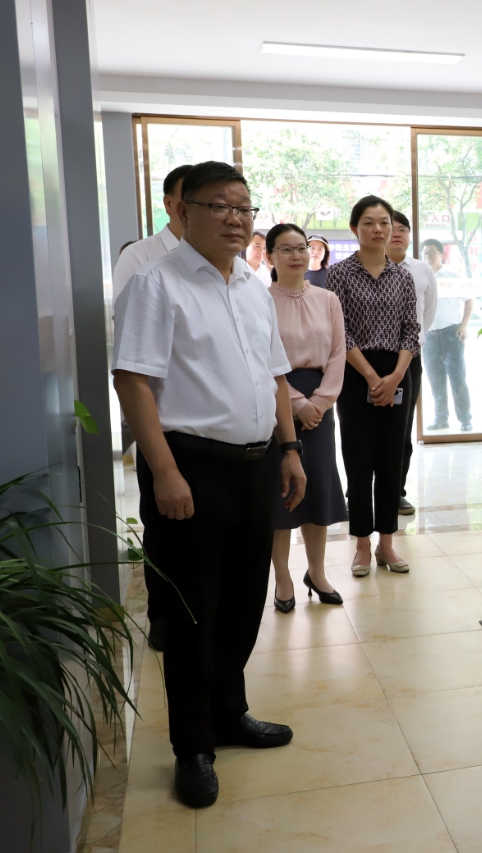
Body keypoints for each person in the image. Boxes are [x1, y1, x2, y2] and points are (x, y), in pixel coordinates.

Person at [112, 160, 306, 809]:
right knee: (193, 608)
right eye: (219, 205)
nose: (234, 218)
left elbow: (276, 375)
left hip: (256, 462)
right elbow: (132, 381)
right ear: (183, 211)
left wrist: (289, 449)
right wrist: (165, 469)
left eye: (244, 208)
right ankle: (192, 745)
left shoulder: (252, 286)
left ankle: (229, 713)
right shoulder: (156, 283)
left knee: (245, 598)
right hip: (191, 464)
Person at [111, 163, 193, 655]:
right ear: (171, 205)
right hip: (162, 419)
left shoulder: (227, 266)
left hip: (212, 425)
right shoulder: (140, 258)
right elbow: (131, 344)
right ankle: (163, 615)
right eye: (196, 200)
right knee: (163, 523)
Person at [326, 196, 420, 577]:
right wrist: (369, 376)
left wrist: (395, 376)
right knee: (359, 458)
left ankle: (387, 543)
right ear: (355, 228)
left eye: (384, 222)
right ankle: (362, 545)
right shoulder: (339, 274)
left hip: (398, 372)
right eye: (369, 222)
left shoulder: (403, 276)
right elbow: (341, 332)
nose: (378, 229)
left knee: (392, 459)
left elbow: (411, 330)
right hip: (355, 374)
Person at [267, 223, 348, 611]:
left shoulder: (328, 299)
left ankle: (317, 571)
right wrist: (297, 402)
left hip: (321, 404)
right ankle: (283, 578)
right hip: (276, 399)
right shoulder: (260, 300)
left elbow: (338, 353)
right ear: (270, 256)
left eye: (301, 247)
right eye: (285, 249)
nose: (296, 255)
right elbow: (263, 359)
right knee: (281, 491)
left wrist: (322, 401)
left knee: (317, 489)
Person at [387, 212, 437, 516]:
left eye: (403, 229)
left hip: (409, 359)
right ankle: (358, 493)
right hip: (367, 359)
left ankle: (396, 492)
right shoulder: (363, 269)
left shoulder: (421, 270)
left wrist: (410, 346)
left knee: (402, 428)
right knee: (364, 430)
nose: (397, 233)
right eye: (391, 228)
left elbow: (427, 313)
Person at [112, 164, 192, 302]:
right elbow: (128, 313)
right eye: (191, 200)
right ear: (169, 204)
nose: (200, 209)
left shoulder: (219, 256)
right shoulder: (137, 256)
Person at [421, 238, 474, 432]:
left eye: (432, 252)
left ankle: (465, 419)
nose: (428, 256)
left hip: (451, 334)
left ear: (441, 254)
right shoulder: (420, 277)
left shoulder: (452, 276)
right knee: (436, 381)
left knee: (457, 378)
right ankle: (441, 419)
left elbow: (469, 301)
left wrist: (463, 325)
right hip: (429, 337)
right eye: (425, 252)